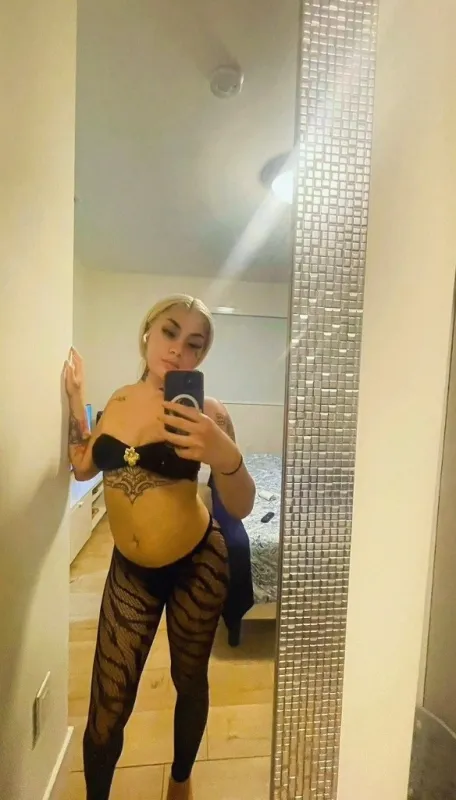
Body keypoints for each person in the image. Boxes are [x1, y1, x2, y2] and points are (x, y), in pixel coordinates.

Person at [64, 294, 256, 800]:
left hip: (197, 563)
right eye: (170, 332)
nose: (178, 350)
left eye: (194, 344)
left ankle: (180, 779)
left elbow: (239, 507)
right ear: (148, 331)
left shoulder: (208, 413)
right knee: (107, 708)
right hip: (131, 571)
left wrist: (226, 456)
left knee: (188, 679)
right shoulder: (119, 401)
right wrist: (75, 398)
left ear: (201, 356)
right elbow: (82, 466)